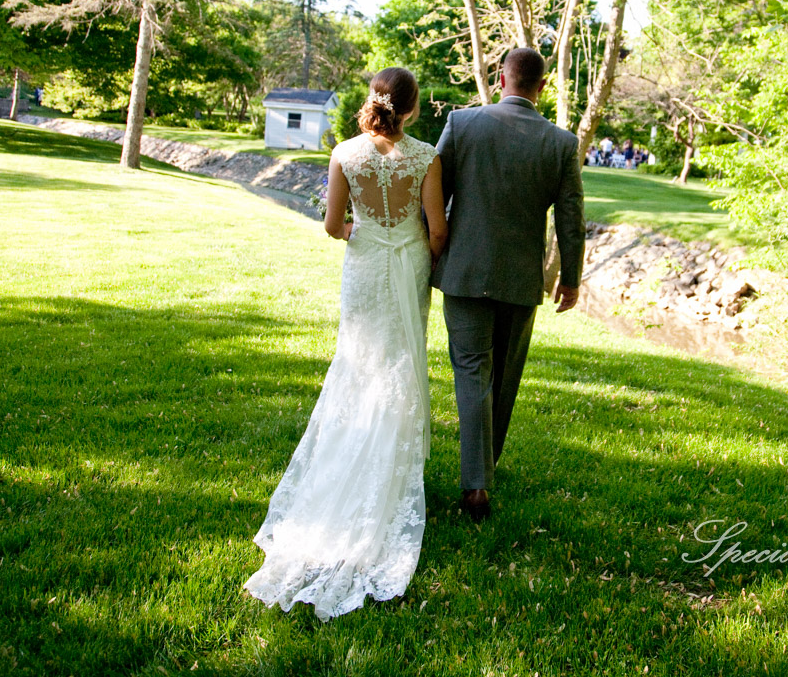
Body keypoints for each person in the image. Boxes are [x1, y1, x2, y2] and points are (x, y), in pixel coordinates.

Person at [244, 66, 447, 621]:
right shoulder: (427, 156)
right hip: (407, 268)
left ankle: (352, 452)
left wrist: (365, 233)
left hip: (363, 269)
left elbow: (334, 225)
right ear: (412, 107)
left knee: (358, 364)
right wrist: (415, 244)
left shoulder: (344, 153)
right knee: (400, 363)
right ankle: (389, 460)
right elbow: (436, 231)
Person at [432, 47, 585, 523]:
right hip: (520, 279)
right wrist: (571, 279)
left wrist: (429, 251)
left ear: (501, 78)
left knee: (472, 371)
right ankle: (484, 471)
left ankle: (477, 482)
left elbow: (433, 194)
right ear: (542, 87)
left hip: (462, 271)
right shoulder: (562, 143)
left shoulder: (461, 124)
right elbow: (572, 220)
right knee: (504, 379)